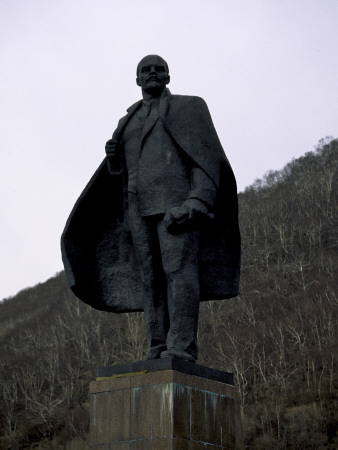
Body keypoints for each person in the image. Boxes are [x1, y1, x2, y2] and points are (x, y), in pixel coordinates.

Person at [61, 55, 240, 363]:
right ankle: (156, 347)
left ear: (168, 77)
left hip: (177, 207)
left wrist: (197, 202)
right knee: (150, 280)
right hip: (136, 211)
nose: (153, 73)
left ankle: (181, 349)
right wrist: (114, 161)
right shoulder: (126, 121)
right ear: (137, 80)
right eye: (146, 70)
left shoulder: (189, 108)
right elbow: (122, 174)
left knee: (179, 273)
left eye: (159, 69)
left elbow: (207, 160)